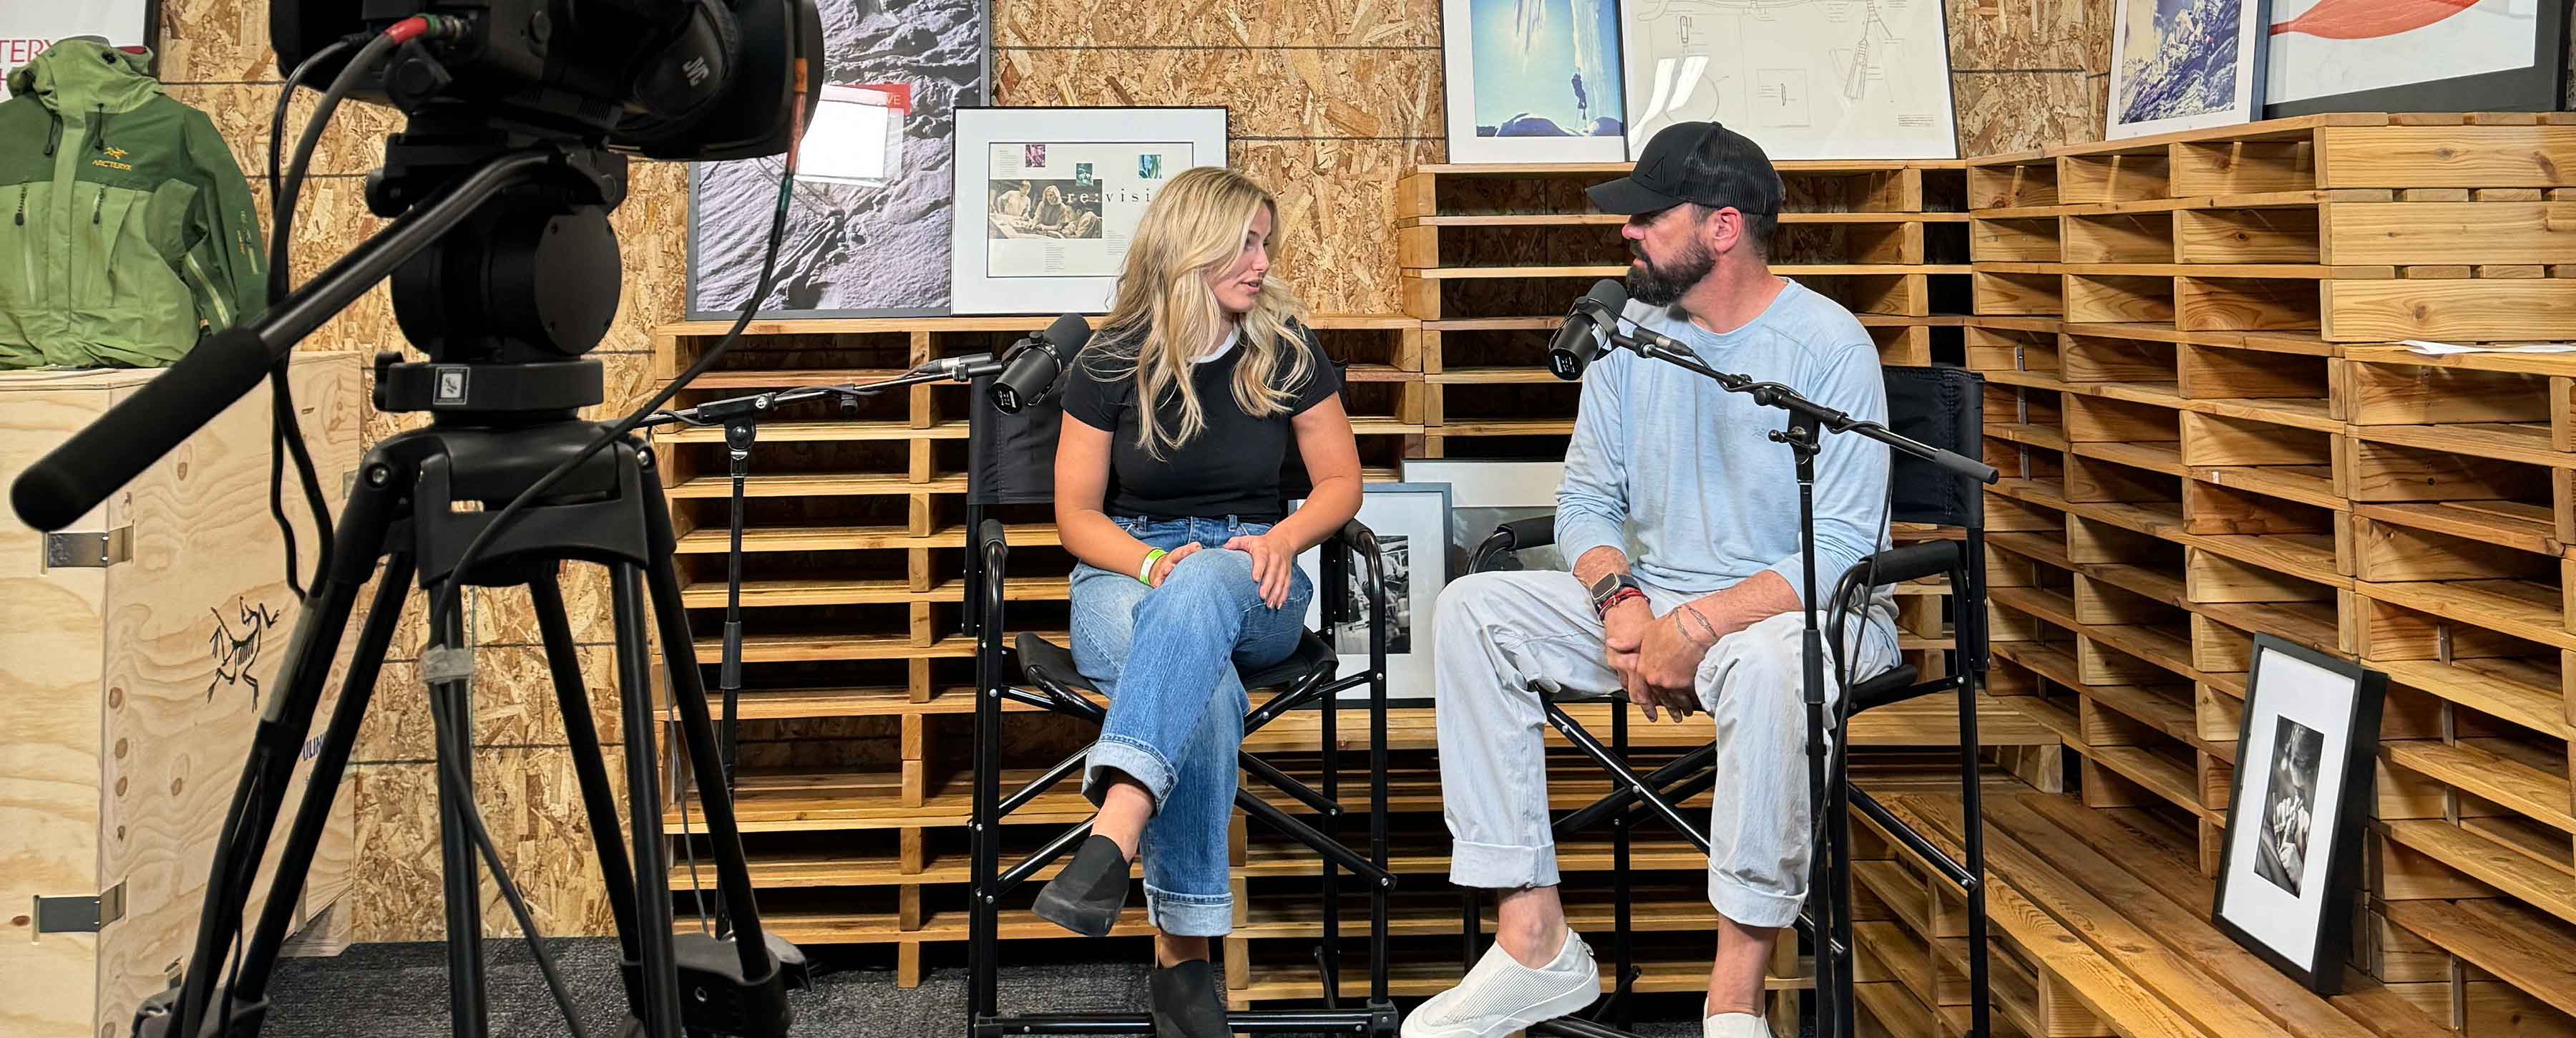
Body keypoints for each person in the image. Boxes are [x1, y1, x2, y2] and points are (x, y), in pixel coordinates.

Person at [1405, 122, 1900, 1038]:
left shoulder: (1831, 347)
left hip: (1808, 615)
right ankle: (1535, 944)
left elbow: (1838, 547)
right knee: (1473, 609)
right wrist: (1619, 599)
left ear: (1721, 228)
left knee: (1768, 667)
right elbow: (1586, 499)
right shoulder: (1629, 335)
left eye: (1646, 216)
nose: (1626, 233)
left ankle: (1734, 1001)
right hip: (1662, 601)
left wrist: (1701, 623)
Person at [1030, 165, 1364, 1037]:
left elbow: (1340, 484)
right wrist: (1152, 567)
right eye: (1245, 242)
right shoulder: (1106, 359)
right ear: (1192, 246)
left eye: (1265, 242)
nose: (1261, 261)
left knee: (1210, 583)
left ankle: (1117, 825)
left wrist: (1284, 540)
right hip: (1127, 570)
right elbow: (1077, 517)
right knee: (1202, 682)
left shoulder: (1284, 347)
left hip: (1255, 569)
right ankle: (1185, 965)